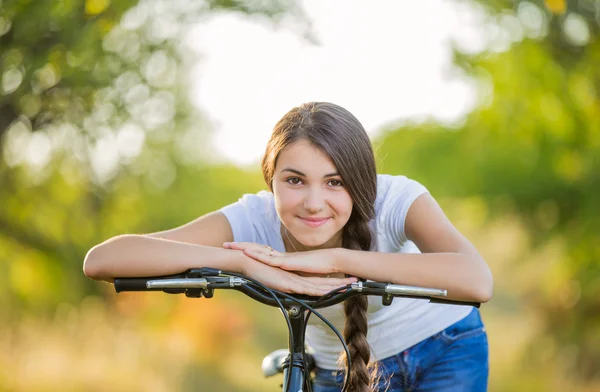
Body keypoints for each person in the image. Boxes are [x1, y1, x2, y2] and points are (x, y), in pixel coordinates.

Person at [84, 102, 493, 392]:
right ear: (271, 180)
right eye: (295, 180)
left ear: (362, 181)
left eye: (335, 182)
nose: (314, 202)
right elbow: (102, 260)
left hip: (444, 350)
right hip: (342, 368)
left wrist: (335, 258)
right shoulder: (254, 219)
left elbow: (477, 281)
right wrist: (239, 261)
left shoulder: (395, 200)